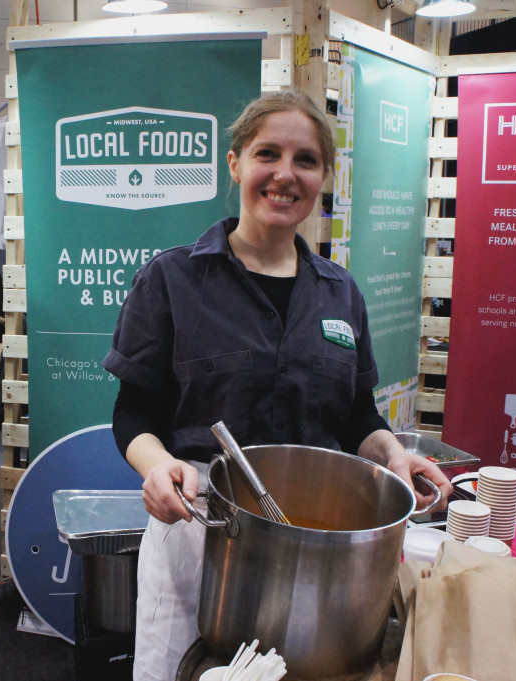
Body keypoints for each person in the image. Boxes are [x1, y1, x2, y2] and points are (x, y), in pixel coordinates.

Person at [102, 91, 453, 681]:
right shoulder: (172, 279)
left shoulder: (341, 293)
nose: (285, 175)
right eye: (268, 153)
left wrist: (393, 452)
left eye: (307, 160)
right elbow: (134, 413)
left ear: (324, 178)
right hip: (203, 534)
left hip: (322, 551)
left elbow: (356, 417)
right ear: (235, 162)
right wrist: (157, 467)